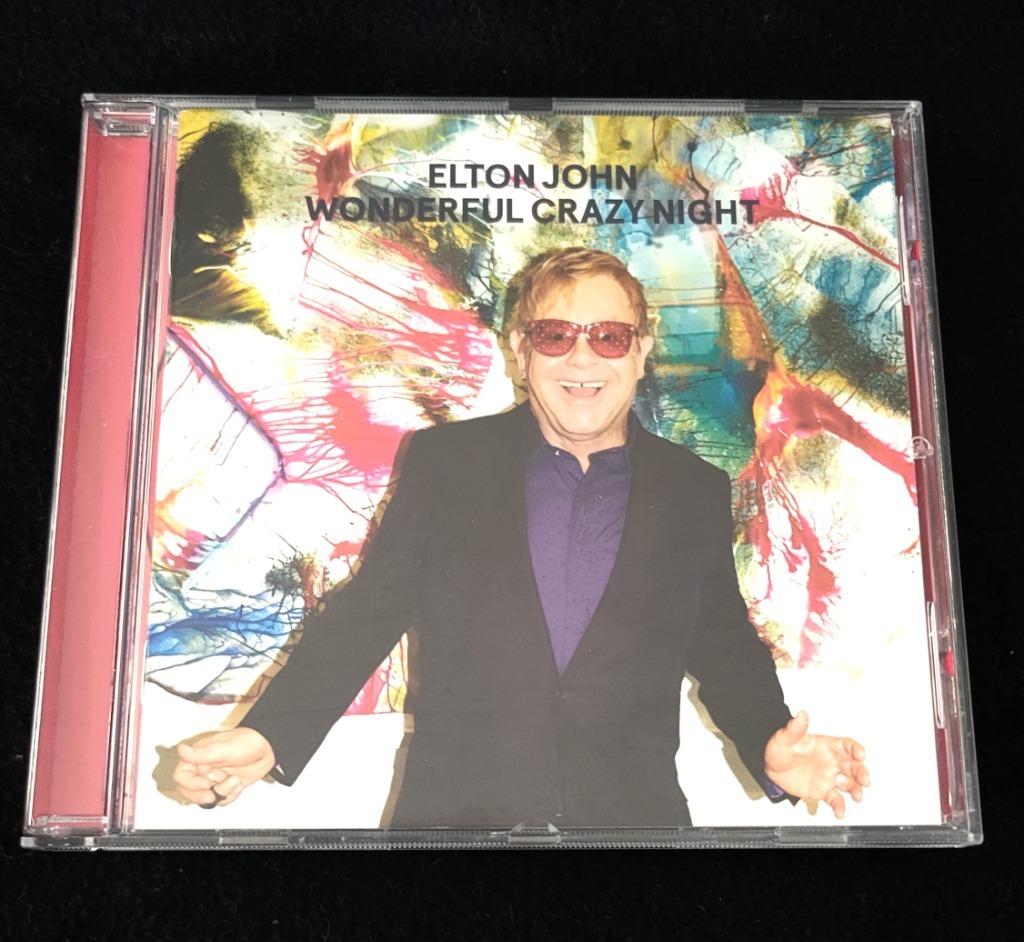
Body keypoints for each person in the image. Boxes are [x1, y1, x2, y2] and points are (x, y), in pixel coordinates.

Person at [173, 247, 870, 828]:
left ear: (640, 351)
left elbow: (721, 642)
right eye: (555, 335)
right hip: (455, 825)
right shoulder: (446, 463)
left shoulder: (693, 489)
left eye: (609, 336)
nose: (582, 358)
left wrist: (769, 737)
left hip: (630, 827)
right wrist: (270, 733)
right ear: (520, 349)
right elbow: (369, 611)